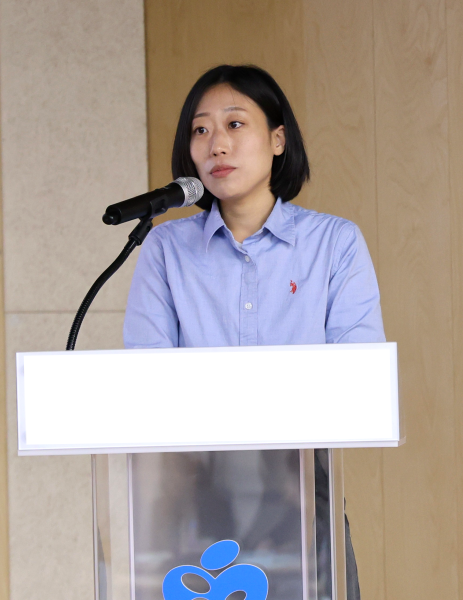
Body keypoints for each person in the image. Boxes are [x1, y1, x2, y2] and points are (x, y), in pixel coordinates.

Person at [123, 64, 385, 599]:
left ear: (278, 140)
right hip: (194, 503)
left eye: (235, 124)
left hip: (301, 495)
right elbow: (146, 382)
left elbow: (358, 380)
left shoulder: (334, 244)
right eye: (200, 129)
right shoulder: (165, 251)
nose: (216, 144)